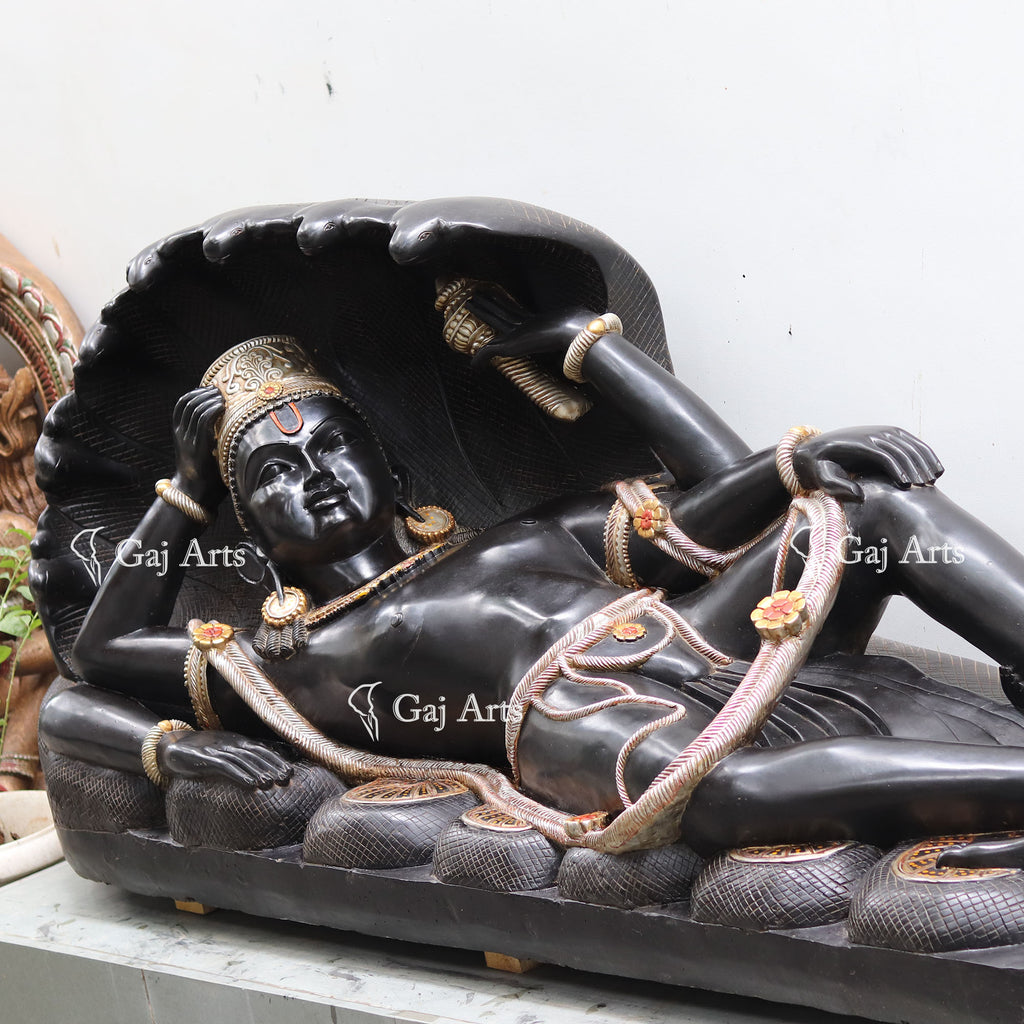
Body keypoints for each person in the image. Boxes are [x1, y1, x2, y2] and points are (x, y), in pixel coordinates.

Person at [36, 318, 1024, 864]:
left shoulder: (517, 538)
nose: (316, 475)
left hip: (691, 633)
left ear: (389, 466)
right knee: (709, 793)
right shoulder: (288, 664)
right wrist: (183, 492)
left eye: (332, 446)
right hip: (575, 725)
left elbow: (712, 508)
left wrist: (595, 349)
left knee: (871, 508)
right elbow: (96, 656)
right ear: (247, 524)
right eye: (272, 474)